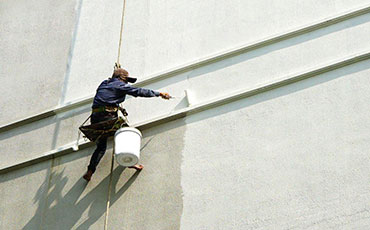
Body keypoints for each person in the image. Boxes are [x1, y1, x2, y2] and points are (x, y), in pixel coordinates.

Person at [83, 68, 170, 181]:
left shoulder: (104, 83)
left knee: (101, 147)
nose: (127, 83)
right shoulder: (120, 85)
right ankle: (129, 161)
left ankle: (90, 171)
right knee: (126, 133)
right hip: (107, 116)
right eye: (126, 80)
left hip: (95, 118)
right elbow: (138, 91)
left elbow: (107, 95)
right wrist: (159, 93)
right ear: (121, 78)